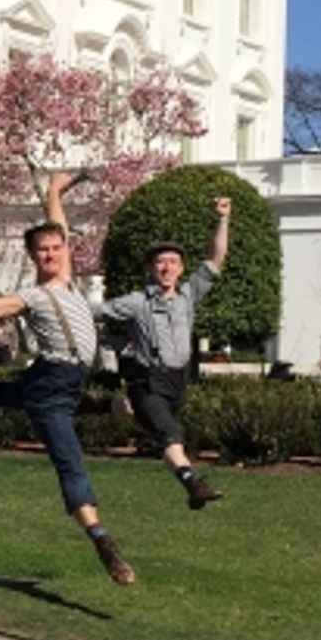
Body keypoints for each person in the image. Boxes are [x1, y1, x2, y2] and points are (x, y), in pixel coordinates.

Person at [0, 171, 136, 587]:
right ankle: (103, 542)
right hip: (52, 384)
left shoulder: (68, 280)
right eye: (43, 251)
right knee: (69, 461)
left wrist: (53, 191)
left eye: (56, 248)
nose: (51, 254)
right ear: (33, 257)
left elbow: (58, 226)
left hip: (60, 381)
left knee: (11, 392)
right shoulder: (31, 297)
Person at [99, 198, 232, 509]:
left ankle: (107, 406)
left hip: (177, 383)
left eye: (173, 261)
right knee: (171, 434)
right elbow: (95, 311)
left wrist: (223, 219)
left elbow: (216, 258)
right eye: (160, 262)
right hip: (148, 383)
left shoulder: (188, 296)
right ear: (150, 269)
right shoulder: (137, 302)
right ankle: (193, 485)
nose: (167, 267)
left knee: (164, 435)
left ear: (181, 268)